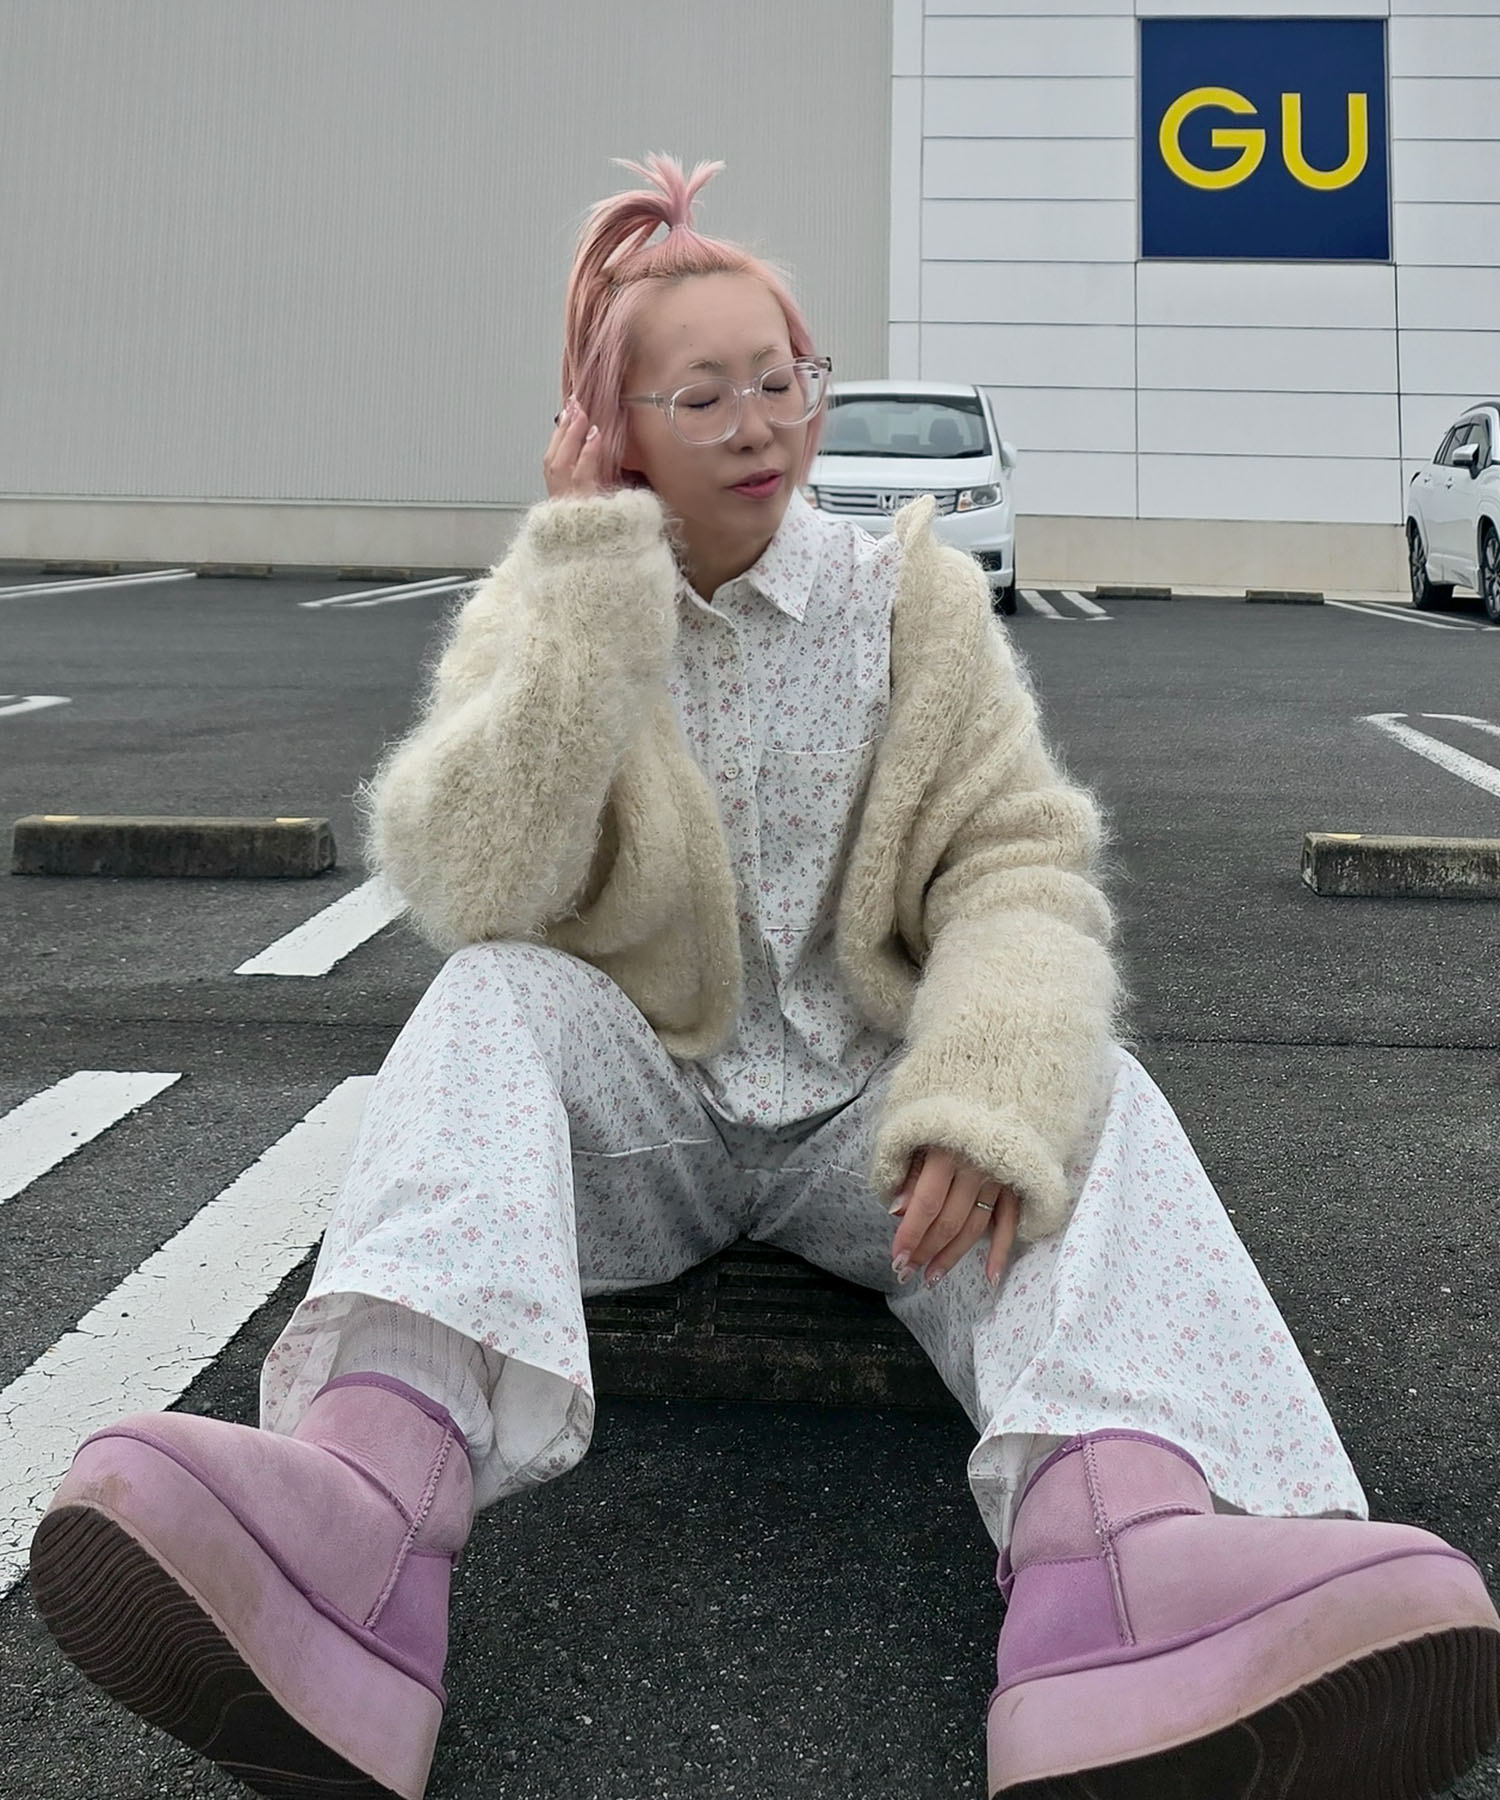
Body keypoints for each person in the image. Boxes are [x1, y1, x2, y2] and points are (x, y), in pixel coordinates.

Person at [29, 154, 1500, 1800]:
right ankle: (363, 1524)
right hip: (644, 1119)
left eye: (783, 378)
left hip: (873, 1134)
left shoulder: (906, 603)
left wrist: (984, 1090)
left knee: (1078, 1085)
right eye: (704, 393)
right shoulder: (552, 601)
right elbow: (469, 883)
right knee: (491, 999)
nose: (759, 423)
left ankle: (1121, 1575)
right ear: (615, 427)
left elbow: (1017, 866)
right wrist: (589, 590)